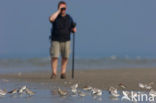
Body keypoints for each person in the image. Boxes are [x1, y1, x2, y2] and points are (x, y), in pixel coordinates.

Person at [49, 1, 76, 79]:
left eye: (64, 8)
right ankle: (54, 73)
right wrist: (58, 11)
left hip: (66, 39)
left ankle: (63, 73)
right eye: (62, 8)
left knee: (65, 56)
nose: (63, 10)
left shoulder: (69, 17)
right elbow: (51, 19)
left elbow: (72, 27)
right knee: (55, 56)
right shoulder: (56, 16)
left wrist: (73, 29)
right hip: (55, 39)